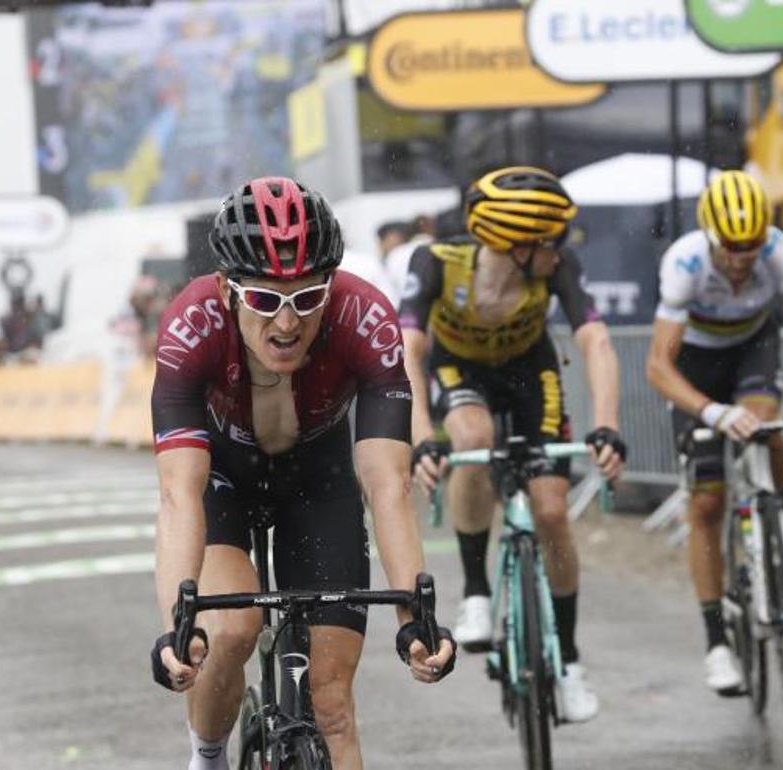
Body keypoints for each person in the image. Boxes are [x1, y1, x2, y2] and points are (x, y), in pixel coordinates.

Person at [149, 177, 455, 770]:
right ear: (227, 291)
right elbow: (177, 495)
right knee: (232, 632)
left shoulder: (366, 318)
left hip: (319, 481)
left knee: (333, 704)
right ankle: (208, 758)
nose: (287, 323)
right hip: (224, 482)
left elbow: (388, 486)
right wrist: (176, 627)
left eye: (307, 297)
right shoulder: (191, 326)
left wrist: (415, 620)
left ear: (332, 287)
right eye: (265, 300)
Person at [401, 166, 627, 724]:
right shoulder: (435, 262)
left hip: (531, 373)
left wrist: (606, 424)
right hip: (462, 371)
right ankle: (476, 591)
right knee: (473, 439)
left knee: (551, 510)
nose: (563, 251)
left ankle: (569, 662)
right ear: (515, 244)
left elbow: (594, 341)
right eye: (552, 241)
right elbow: (408, 349)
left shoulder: (556, 269)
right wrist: (423, 436)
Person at [645, 170, 783, 695]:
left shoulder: (779, 250)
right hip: (693, 366)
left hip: (750, 346)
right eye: (732, 247)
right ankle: (717, 641)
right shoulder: (684, 263)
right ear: (712, 236)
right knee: (707, 504)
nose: (743, 257)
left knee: (763, 423)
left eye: (752, 245)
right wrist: (711, 413)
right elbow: (657, 367)